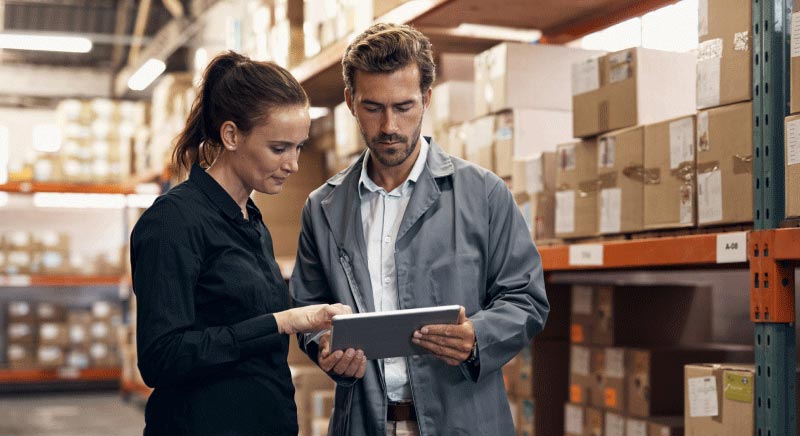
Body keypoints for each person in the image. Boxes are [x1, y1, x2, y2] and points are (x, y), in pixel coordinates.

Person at [290, 23, 549, 436]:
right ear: (350, 102)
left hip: (465, 421)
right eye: (373, 107)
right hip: (363, 423)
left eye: (404, 106)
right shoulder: (323, 208)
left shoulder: (482, 194)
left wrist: (477, 337)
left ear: (426, 99)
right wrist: (323, 342)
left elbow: (526, 299)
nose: (390, 125)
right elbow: (310, 304)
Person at [130, 51, 351, 436]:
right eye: (279, 148)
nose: (293, 164)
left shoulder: (252, 222)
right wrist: (279, 323)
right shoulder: (173, 221)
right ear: (231, 135)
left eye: (299, 147)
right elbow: (161, 358)